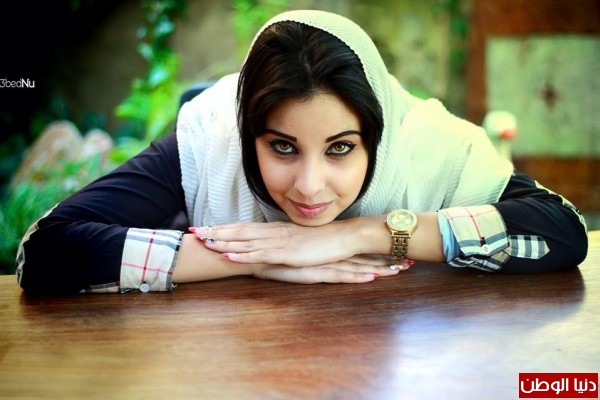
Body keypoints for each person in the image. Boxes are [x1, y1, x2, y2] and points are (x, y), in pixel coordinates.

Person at [16, 9, 588, 295]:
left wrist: (364, 233)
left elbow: (561, 232)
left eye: (341, 148)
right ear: (249, 133)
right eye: (282, 147)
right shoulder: (213, 137)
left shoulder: (430, 145)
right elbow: (46, 251)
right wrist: (260, 257)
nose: (310, 186)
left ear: (377, 135)